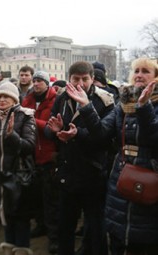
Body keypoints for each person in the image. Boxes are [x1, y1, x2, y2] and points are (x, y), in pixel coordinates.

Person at [68, 57, 158, 255]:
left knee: (145, 239)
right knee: (118, 235)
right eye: (136, 71)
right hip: (122, 177)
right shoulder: (124, 103)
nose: (140, 75)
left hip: (151, 179)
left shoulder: (151, 105)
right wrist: (86, 107)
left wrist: (144, 109)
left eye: (146, 71)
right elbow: (101, 133)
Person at [45, 61, 115, 255]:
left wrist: (76, 134)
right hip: (68, 170)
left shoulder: (106, 100)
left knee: (95, 226)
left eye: (85, 79)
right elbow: (49, 127)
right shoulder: (62, 98)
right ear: (70, 79)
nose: (81, 83)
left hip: (93, 171)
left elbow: (103, 137)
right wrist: (55, 131)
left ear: (92, 79)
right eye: (76, 79)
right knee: (65, 224)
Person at [0, 81, 36, 255]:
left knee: (20, 214)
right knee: (5, 213)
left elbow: (29, 146)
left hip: (18, 173)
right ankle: (9, 247)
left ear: (14, 98)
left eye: (6, 96)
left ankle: (22, 248)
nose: (2, 100)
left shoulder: (25, 116)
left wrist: (12, 135)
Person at [22, 71, 59, 254]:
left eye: (39, 81)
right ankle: (40, 225)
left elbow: (52, 128)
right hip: (31, 155)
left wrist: (32, 120)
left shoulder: (54, 100)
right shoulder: (27, 100)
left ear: (47, 84)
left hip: (48, 155)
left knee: (50, 198)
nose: (36, 84)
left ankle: (54, 236)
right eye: (34, 81)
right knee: (35, 196)